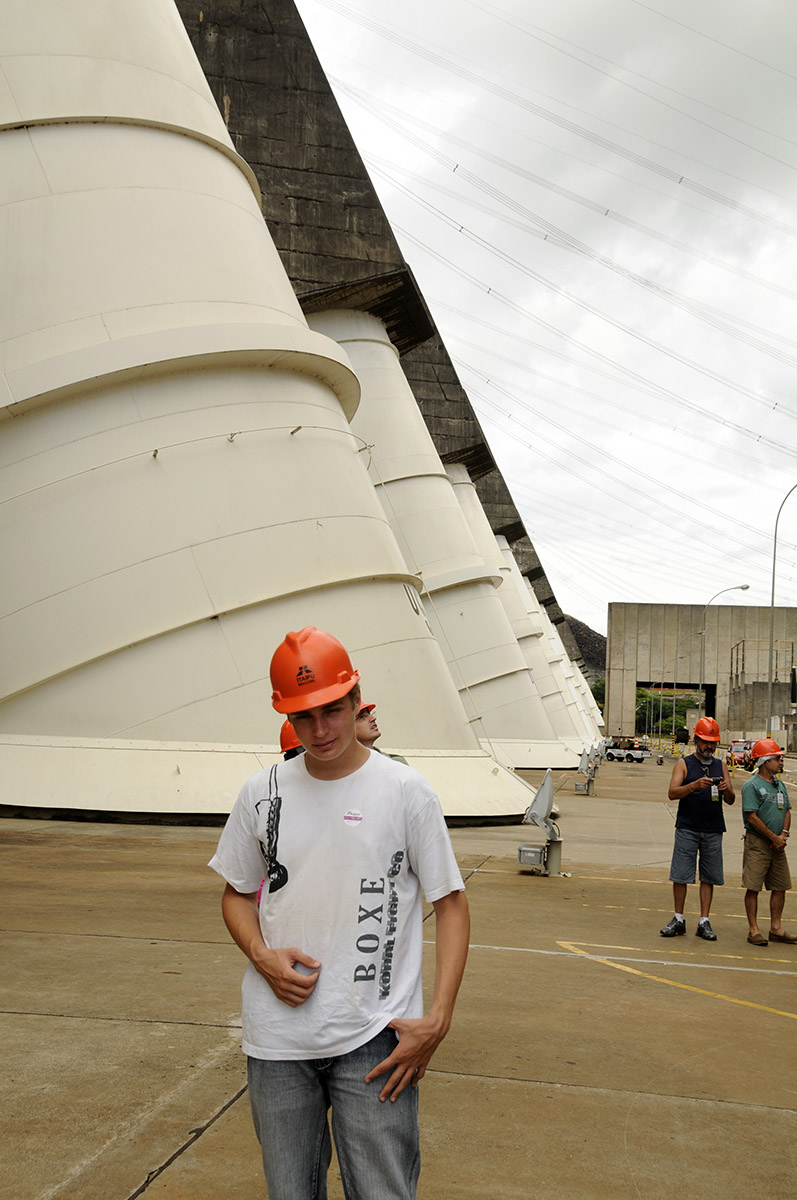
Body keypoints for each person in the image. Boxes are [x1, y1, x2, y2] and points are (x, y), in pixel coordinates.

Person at [209, 626, 470, 1200]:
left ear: (357, 700)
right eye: (304, 718)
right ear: (285, 716)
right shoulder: (262, 792)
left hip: (377, 1037)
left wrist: (439, 1018)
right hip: (278, 1043)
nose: (320, 730)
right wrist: (262, 955)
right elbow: (235, 893)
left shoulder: (405, 791)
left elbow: (450, 903)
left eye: (332, 710)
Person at [661, 716, 735, 941]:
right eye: (705, 742)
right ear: (696, 740)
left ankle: (704, 920)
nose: (709, 747)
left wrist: (725, 789)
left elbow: (731, 799)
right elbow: (672, 793)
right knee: (681, 874)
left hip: (713, 828)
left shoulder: (720, 765)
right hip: (688, 827)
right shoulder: (684, 764)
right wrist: (692, 786)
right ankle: (678, 918)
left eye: (712, 742)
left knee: (709, 876)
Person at [741, 738, 795, 946]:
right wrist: (773, 838)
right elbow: (752, 817)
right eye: (777, 759)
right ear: (764, 761)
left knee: (780, 886)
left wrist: (783, 834)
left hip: (778, 843)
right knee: (753, 886)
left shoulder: (779, 784)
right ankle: (753, 930)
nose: (781, 762)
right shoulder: (752, 786)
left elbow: (787, 809)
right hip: (758, 844)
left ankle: (776, 928)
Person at [356, 700, 409, 765]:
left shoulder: (397, 762)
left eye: (369, 713)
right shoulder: (343, 769)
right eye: (362, 716)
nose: (373, 718)